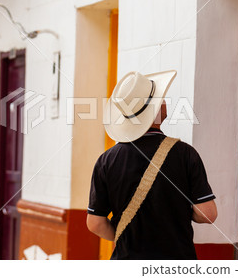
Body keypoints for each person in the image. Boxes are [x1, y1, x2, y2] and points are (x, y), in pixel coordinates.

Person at [86, 70, 217, 260]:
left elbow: (95, 223)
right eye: (160, 99)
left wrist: (127, 237)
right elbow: (208, 214)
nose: (164, 102)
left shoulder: (106, 160)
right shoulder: (185, 154)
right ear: (155, 111)